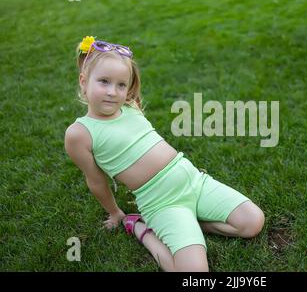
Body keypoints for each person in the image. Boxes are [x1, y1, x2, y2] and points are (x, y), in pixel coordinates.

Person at [64, 36, 265, 272]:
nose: (113, 92)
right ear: (83, 81)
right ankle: (141, 228)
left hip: (194, 181)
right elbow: (95, 179)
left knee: (253, 222)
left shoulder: (129, 106)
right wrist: (116, 213)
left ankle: (191, 223)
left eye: (121, 85)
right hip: (162, 202)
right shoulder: (80, 133)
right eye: (104, 82)